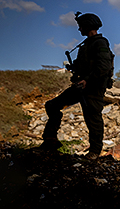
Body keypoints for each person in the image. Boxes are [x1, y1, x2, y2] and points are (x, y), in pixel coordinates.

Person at [38, 12, 114, 160]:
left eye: (81, 26)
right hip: (81, 87)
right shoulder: (87, 45)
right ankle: (50, 141)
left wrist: (87, 80)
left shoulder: (100, 43)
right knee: (52, 106)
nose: (79, 30)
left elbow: (103, 66)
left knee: (93, 118)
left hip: (93, 88)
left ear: (88, 26)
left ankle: (94, 152)